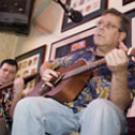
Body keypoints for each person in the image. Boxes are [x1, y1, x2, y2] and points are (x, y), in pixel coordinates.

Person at [11, 8, 134, 135]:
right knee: (26, 105)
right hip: (67, 113)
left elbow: (120, 105)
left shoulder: (129, 65)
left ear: (121, 35)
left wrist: (120, 72)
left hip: (103, 116)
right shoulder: (80, 55)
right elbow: (49, 63)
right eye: (99, 24)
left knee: (100, 107)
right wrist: (45, 71)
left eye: (109, 26)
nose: (100, 28)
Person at [0, 59, 25, 135]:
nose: (7, 74)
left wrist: (18, 93)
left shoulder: (15, 91)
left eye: (12, 72)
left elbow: (11, 117)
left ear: (15, 75)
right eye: (5, 70)